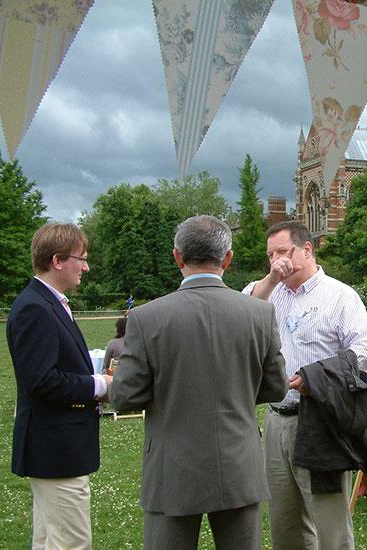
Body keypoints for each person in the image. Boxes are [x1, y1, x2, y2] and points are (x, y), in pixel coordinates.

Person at [109, 215, 288, 549]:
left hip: (171, 466)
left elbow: (123, 396)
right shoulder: (259, 314)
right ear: (228, 258)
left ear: (177, 257)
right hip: (238, 462)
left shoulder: (147, 318)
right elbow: (276, 386)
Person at [243, 220, 367, 550]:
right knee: (285, 524)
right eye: (270, 255)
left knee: (330, 524)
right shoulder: (267, 293)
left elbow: (364, 353)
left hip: (320, 420)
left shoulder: (339, 296)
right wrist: (273, 277)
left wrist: (316, 377)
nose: (276, 260)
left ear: (307, 249)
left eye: (283, 252)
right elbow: (243, 313)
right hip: (276, 419)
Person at [7, 222, 111, 549]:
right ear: (57, 260)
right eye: (81, 258)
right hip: (55, 451)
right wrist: (100, 384)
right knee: (71, 543)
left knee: (50, 541)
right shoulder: (35, 308)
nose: (86, 266)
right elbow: (42, 381)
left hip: (58, 449)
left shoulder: (47, 302)